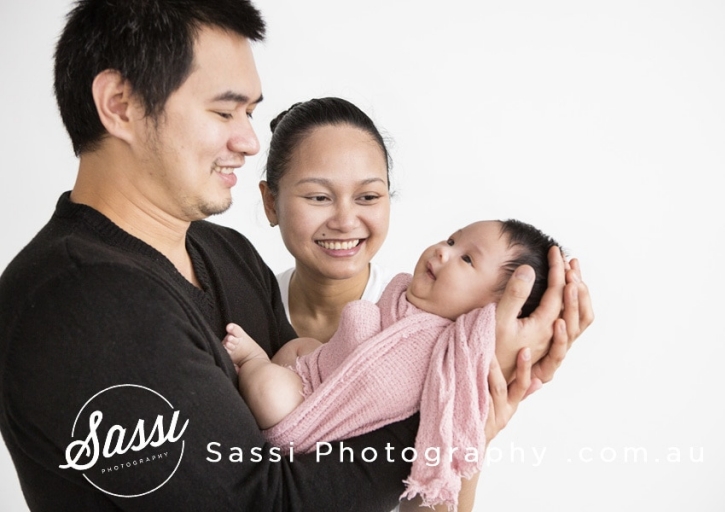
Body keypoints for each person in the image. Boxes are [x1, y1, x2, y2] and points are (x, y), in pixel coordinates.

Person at [0, 2, 592, 512]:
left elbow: (325, 434)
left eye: (250, 112)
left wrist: (471, 383)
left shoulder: (222, 251)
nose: (250, 140)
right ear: (121, 104)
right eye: (223, 111)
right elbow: (270, 500)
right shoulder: (78, 301)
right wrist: (457, 404)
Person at [223, 218, 559, 509]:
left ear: (490, 313)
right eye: (452, 240)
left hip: (311, 414)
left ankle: (253, 359)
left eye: (467, 259)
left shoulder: (454, 356)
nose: (443, 250)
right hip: (314, 376)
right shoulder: (399, 294)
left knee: (268, 394)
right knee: (301, 346)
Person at [261, 97, 398, 343]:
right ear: (271, 203)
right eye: (319, 197)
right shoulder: (244, 313)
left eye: (367, 196)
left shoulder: (418, 317)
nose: (345, 222)